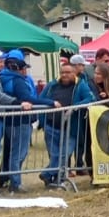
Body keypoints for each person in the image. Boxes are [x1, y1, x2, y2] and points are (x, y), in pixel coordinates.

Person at [38, 57, 90, 187]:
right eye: (62, 72)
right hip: (52, 125)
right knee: (55, 154)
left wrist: (75, 107)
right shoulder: (52, 85)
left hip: (71, 128)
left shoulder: (81, 85)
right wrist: (51, 104)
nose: (65, 75)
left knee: (64, 154)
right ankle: (56, 179)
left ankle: (47, 174)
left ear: (74, 73)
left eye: (68, 72)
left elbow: (90, 98)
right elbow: (40, 99)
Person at [0, 50, 37, 189]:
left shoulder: (2, 77)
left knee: (9, 151)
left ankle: (5, 178)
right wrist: (49, 102)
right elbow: (29, 98)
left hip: (8, 120)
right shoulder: (17, 80)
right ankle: (15, 182)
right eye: (24, 68)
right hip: (20, 120)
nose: (25, 71)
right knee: (18, 153)